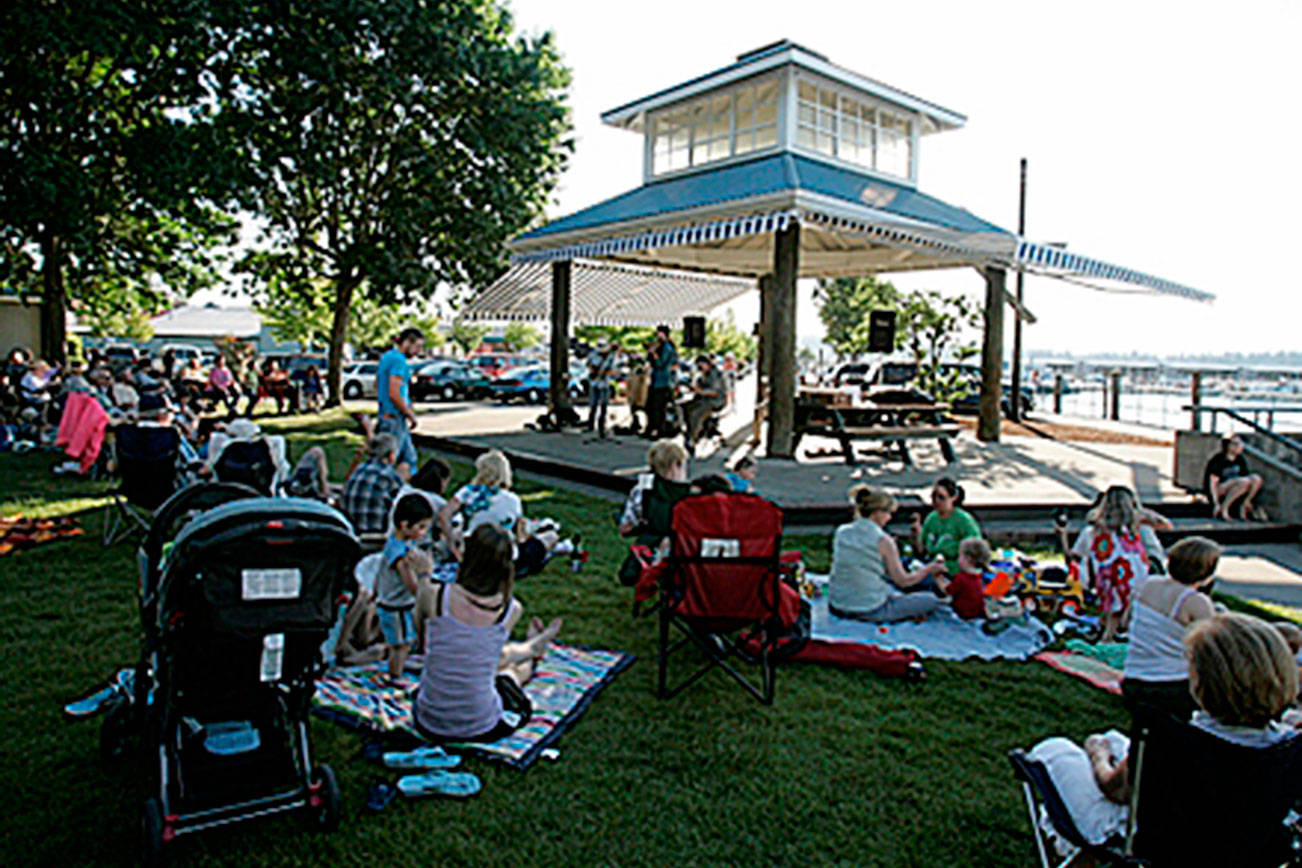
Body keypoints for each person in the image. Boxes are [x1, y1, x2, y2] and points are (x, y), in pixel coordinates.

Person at [1028, 613, 1299, 849]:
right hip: (1243, 840)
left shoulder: (1176, 742)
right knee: (1116, 739)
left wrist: (1097, 753)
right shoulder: (1288, 746)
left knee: (1054, 749)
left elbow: (1114, 789)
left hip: (1158, 839)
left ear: (1202, 682)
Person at [412, 523, 562, 743]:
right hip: (478, 724)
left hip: (429, 720)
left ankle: (533, 647)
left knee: (491, 664)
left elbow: (421, 639)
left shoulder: (434, 595)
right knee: (508, 675)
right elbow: (494, 657)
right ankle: (533, 649)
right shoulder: (511, 610)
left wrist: (424, 575)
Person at [1120, 536, 1220, 719]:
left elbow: (1125, 622)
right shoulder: (1195, 602)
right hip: (1172, 686)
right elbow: (1211, 649)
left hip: (1133, 680)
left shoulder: (1147, 584)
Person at [829, 486, 947, 623]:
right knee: (930, 600)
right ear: (877, 512)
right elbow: (903, 581)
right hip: (868, 609)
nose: (890, 518)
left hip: (837, 604)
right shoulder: (883, 541)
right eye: (889, 513)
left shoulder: (841, 532)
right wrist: (929, 569)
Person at [1070, 486, 1149, 642]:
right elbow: (1166, 525)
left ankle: (1107, 636)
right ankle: (1113, 635)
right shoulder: (1136, 530)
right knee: (1123, 610)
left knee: (1111, 609)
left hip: (1107, 577)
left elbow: (1077, 554)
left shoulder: (1093, 531)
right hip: (1134, 577)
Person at [375, 493, 435, 679]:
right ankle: (395, 675)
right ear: (404, 525)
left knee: (401, 641)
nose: (424, 532)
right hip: (395, 605)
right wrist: (424, 578)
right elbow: (410, 583)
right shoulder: (399, 554)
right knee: (401, 644)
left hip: (392, 602)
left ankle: (395, 670)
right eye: (421, 527)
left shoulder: (399, 542)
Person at [375, 327, 424, 481]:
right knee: (389, 462)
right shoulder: (399, 360)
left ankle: (404, 491)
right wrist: (410, 414)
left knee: (409, 459)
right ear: (407, 342)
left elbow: (378, 385)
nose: (418, 351)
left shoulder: (386, 357)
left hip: (387, 416)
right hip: (395, 418)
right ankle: (387, 492)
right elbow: (394, 392)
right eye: (417, 346)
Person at [340, 432, 406, 535]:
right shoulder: (389, 475)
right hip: (376, 534)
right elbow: (404, 505)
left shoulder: (358, 469)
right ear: (391, 455)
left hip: (351, 532)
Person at [909, 477, 982, 566]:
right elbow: (921, 551)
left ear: (953, 498)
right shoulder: (931, 518)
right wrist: (916, 534)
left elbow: (975, 551)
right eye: (933, 496)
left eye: (941, 497)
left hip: (957, 568)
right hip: (933, 566)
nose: (936, 501)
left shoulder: (964, 520)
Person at [1204, 433, 1265, 521]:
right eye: (1235, 444)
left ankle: (1245, 503)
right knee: (1243, 481)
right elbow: (1212, 482)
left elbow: (1246, 476)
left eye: (1240, 444)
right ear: (1229, 446)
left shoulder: (1240, 459)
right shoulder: (1219, 459)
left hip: (1237, 487)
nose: (1239, 447)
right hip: (1220, 488)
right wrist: (1215, 503)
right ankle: (1224, 507)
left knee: (1256, 478)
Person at [936, 537, 990, 620]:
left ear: (967, 559)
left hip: (961, 614)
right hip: (976, 614)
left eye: (960, 556)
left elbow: (947, 591)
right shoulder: (980, 576)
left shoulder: (961, 578)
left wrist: (937, 577)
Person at [680, 354, 725, 453]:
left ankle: (693, 439)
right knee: (685, 407)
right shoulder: (703, 374)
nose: (700, 368)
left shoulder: (715, 374)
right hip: (702, 399)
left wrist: (700, 391)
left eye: (701, 365)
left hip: (714, 401)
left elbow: (715, 392)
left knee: (697, 414)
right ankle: (689, 431)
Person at [644, 325, 678, 439]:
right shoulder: (661, 346)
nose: (658, 336)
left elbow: (661, 363)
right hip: (655, 381)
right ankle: (651, 428)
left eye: (660, 333)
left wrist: (654, 353)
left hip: (663, 382)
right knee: (650, 407)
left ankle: (659, 431)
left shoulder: (667, 348)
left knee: (659, 408)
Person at [586, 339, 615, 437]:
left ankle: (601, 426)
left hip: (604, 383)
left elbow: (612, 369)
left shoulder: (610, 357)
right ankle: (590, 424)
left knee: (604, 404)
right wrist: (593, 370)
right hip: (594, 382)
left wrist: (605, 372)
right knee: (593, 404)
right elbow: (588, 364)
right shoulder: (593, 354)